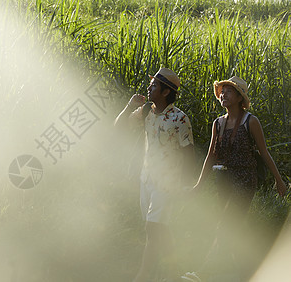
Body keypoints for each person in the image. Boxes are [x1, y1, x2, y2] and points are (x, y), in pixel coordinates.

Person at [183, 76, 287, 281]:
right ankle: (250, 270)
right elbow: (210, 155)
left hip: (245, 180)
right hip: (223, 181)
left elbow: (264, 153)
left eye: (229, 91)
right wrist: (198, 185)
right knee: (232, 226)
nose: (223, 94)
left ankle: (202, 272)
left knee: (224, 224)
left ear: (240, 97)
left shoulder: (251, 121)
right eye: (222, 91)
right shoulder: (218, 123)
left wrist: (279, 180)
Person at [115, 68, 195, 282]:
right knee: (156, 229)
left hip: (168, 182)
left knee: (153, 227)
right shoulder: (145, 112)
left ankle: (142, 275)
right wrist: (129, 106)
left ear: (166, 92)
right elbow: (118, 127)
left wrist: (186, 185)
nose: (149, 88)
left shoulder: (180, 119)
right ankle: (176, 273)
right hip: (146, 179)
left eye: (154, 86)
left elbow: (189, 153)